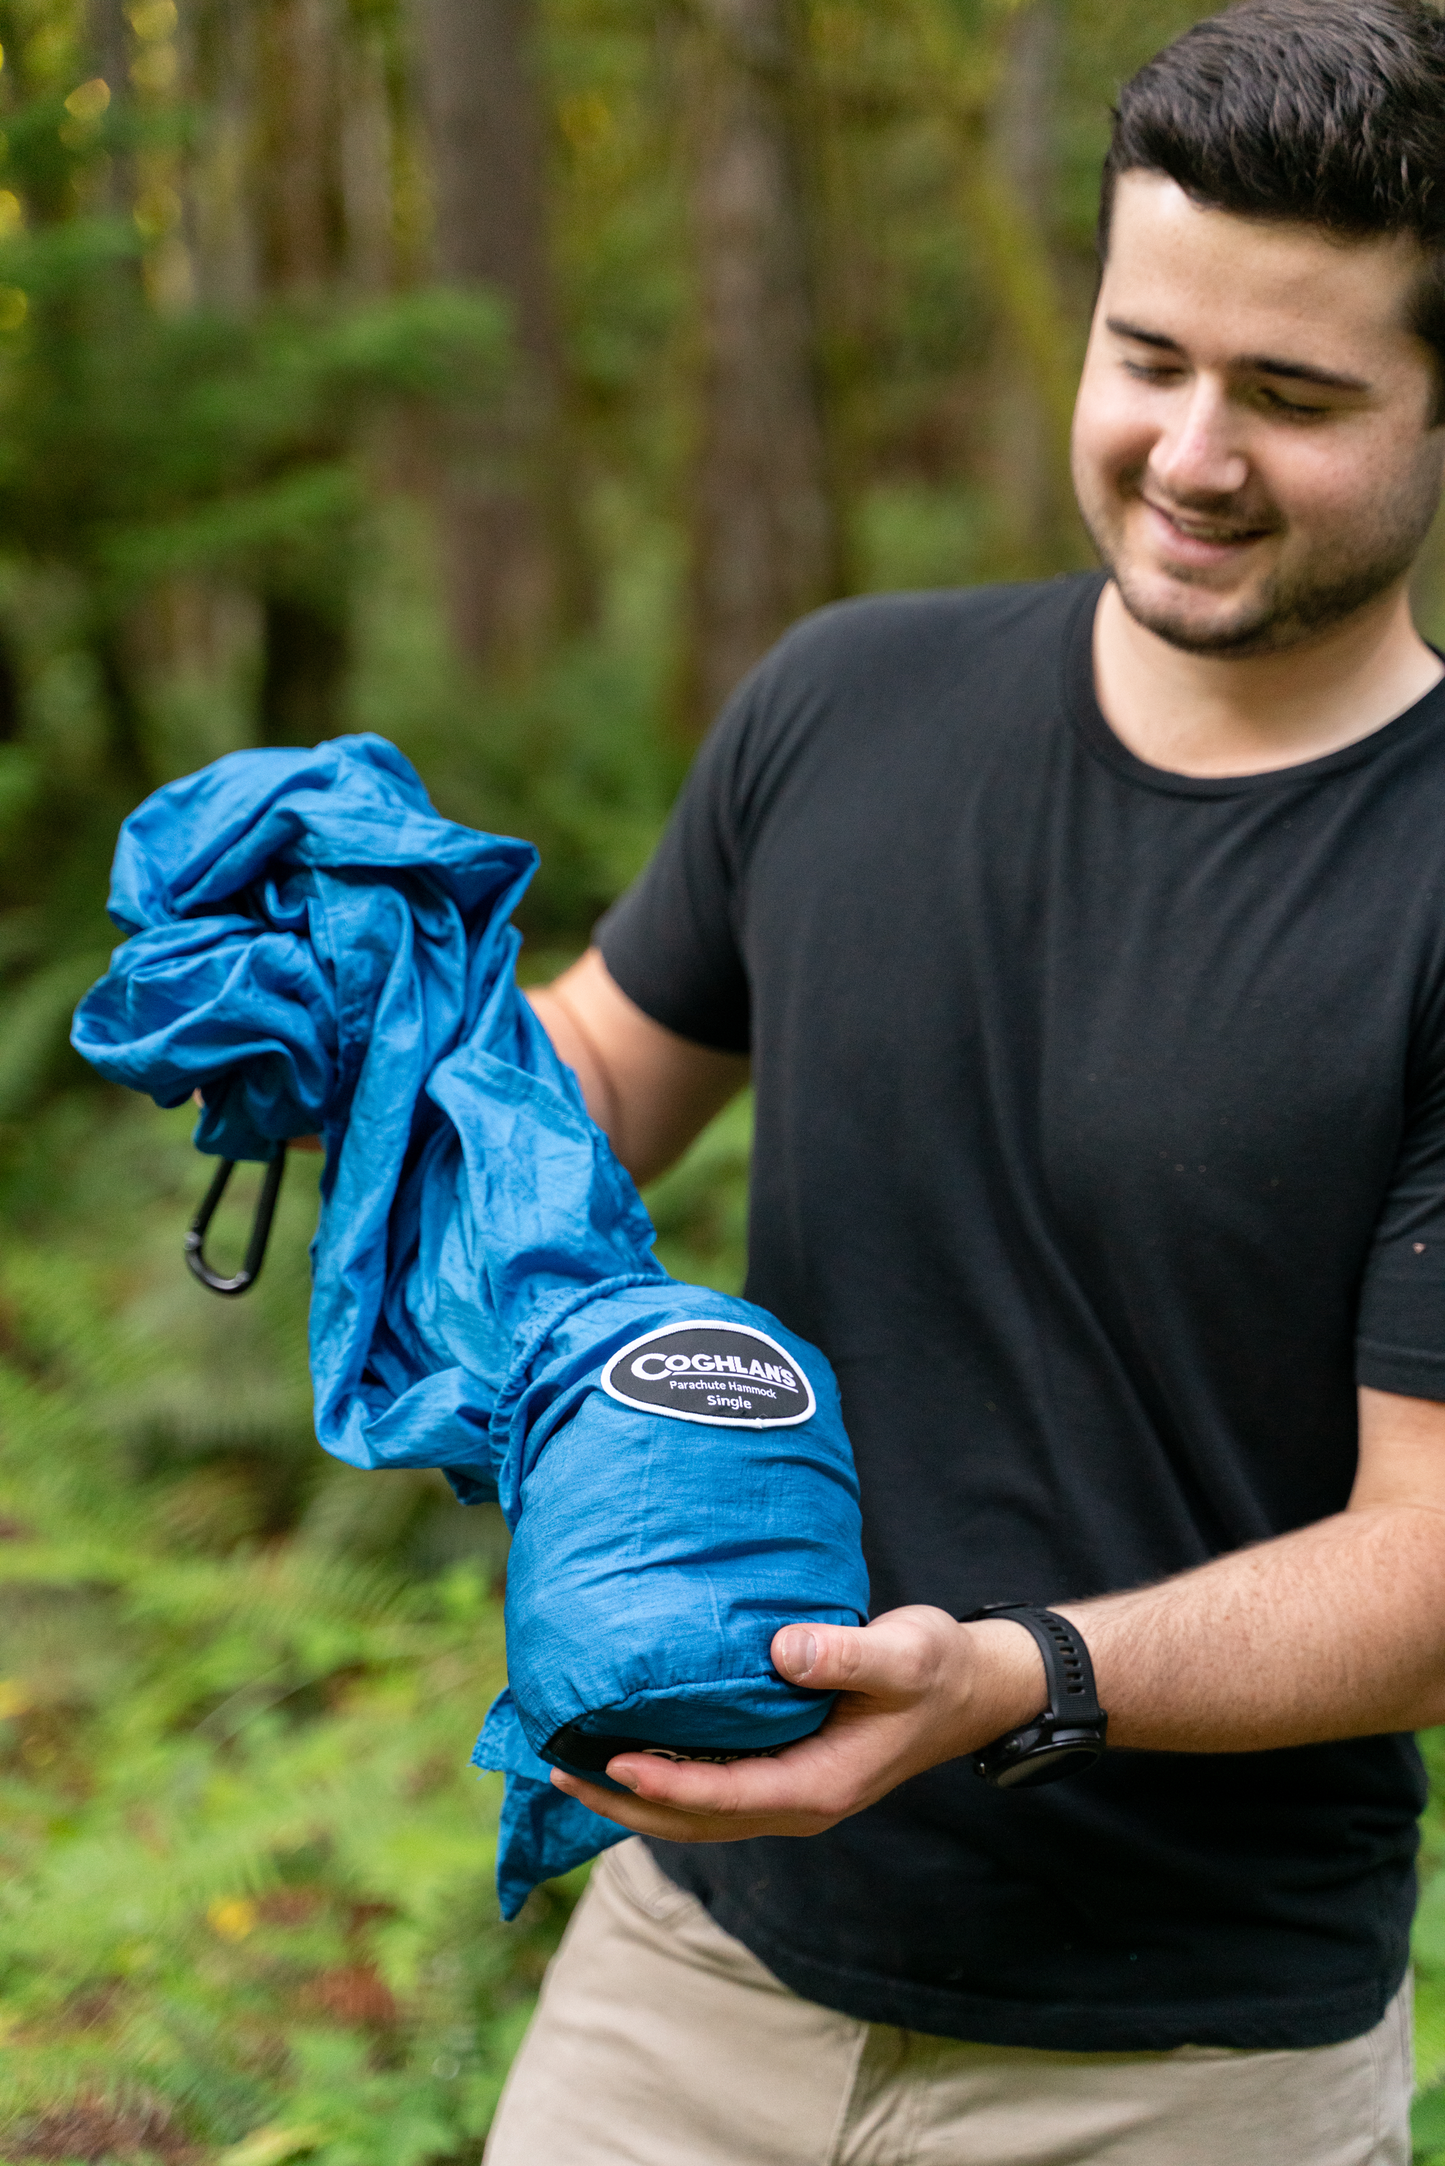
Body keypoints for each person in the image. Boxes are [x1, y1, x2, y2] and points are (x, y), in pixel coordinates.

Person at [485, 4, 1445, 2159]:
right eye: (1145, 357)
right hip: (679, 1983)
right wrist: (363, 1037)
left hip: (1184, 2071)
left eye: (1290, 396)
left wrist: (1008, 1678)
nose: (1188, 453)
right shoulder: (843, 701)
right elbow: (567, 1110)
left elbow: (1432, 1559)